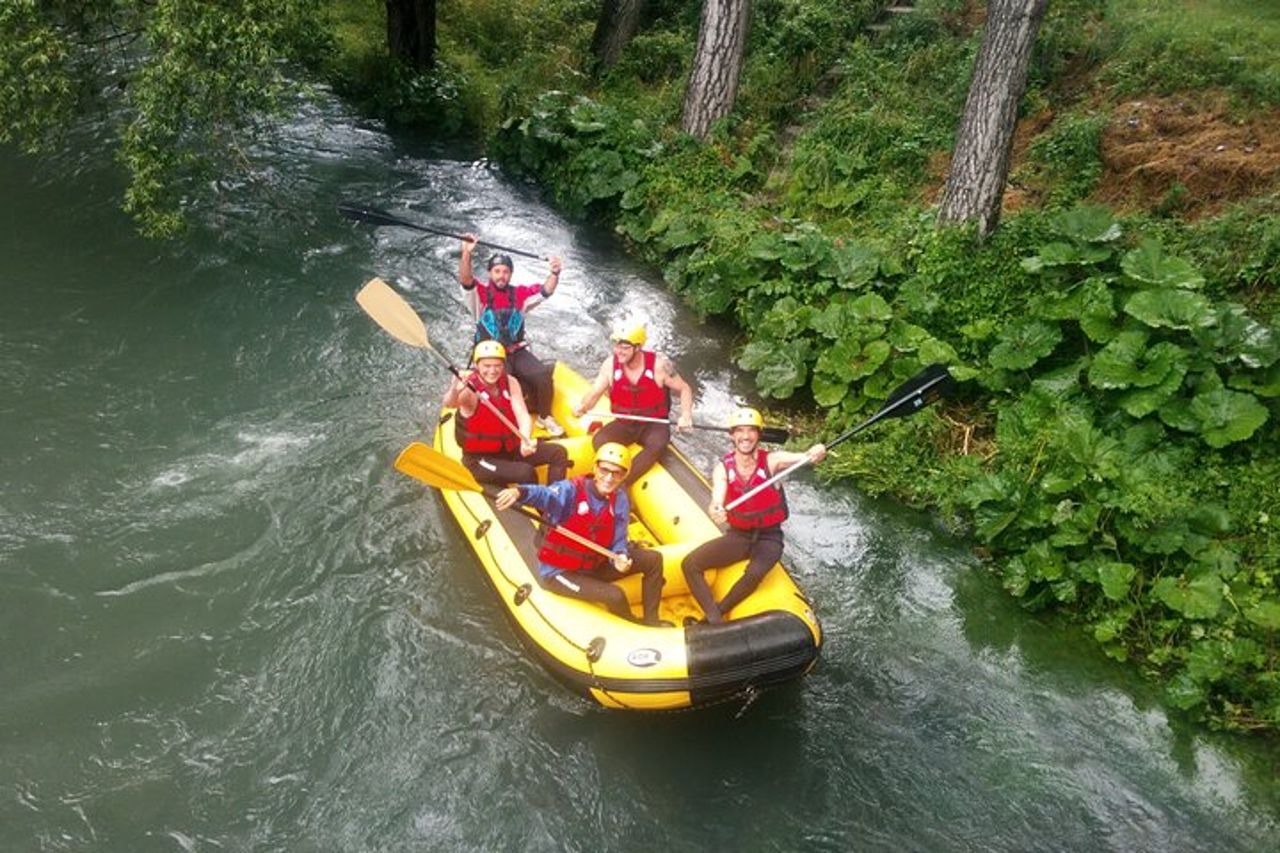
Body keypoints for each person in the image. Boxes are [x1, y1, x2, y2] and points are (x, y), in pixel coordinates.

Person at [494, 443, 669, 626]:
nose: (608, 478)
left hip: (595, 563)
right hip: (561, 572)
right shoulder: (570, 491)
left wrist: (620, 555)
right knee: (615, 595)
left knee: (654, 560)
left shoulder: (620, 499)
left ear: (624, 475)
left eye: (616, 473)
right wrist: (519, 492)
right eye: (604, 470)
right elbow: (544, 494)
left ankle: (652, 620)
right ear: (595, 468)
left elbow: (618, 538)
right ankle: (633, 626)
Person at [681, 408, 826, 624]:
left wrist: (816, 451)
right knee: (690, 564)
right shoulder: (723, 468)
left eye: (751, 431)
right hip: (739, 535)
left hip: (769, 537)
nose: (746, 436)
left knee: (754, 573)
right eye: (740, 431)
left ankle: (716, 613)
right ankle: (713, 618)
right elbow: (717, 496)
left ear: (758, 434)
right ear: (732, 435)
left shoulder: (773, 461)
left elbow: (805, 458)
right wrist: (716, 508)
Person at [459, 233, 566, 437]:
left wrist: (555, 273)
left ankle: (545, 416)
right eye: (497, 271)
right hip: (492, 354)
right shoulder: (479, 295)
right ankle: (506, 421)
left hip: (517, 350)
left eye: (506, 271)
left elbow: (545, 291)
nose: (502, 276)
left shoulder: (520, 295)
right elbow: (466, 280)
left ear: (511, 274)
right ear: (490, 273)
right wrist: (466, 253)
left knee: (543, 374)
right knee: (500, 381)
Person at [571, 320, 694, 486]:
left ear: (638, 347)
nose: (619, 352)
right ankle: (605, 475)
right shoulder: (610, 365)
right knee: (599, 440)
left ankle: (622, 484)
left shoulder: (660, 366)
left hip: (653, 423)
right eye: (617, 346)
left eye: (625, 348)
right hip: (625, 422)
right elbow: (595, 393)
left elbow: (684, 389)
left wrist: (685, 415)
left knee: (658, 444)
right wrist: (583, 406)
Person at [443, 341, 569, 486]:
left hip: (510, 448)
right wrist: (454, 390)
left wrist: (525, 440)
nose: (492, 371)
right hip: (481, 459)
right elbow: (449, 403)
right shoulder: (470, 391)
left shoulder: (510, 382)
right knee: (525, 472)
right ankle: (535, 504)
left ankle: (556, 496)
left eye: (497, 365)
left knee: (558, 453)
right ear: (477, 366)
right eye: (487, 366)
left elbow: (522, 414)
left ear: (503, 365)